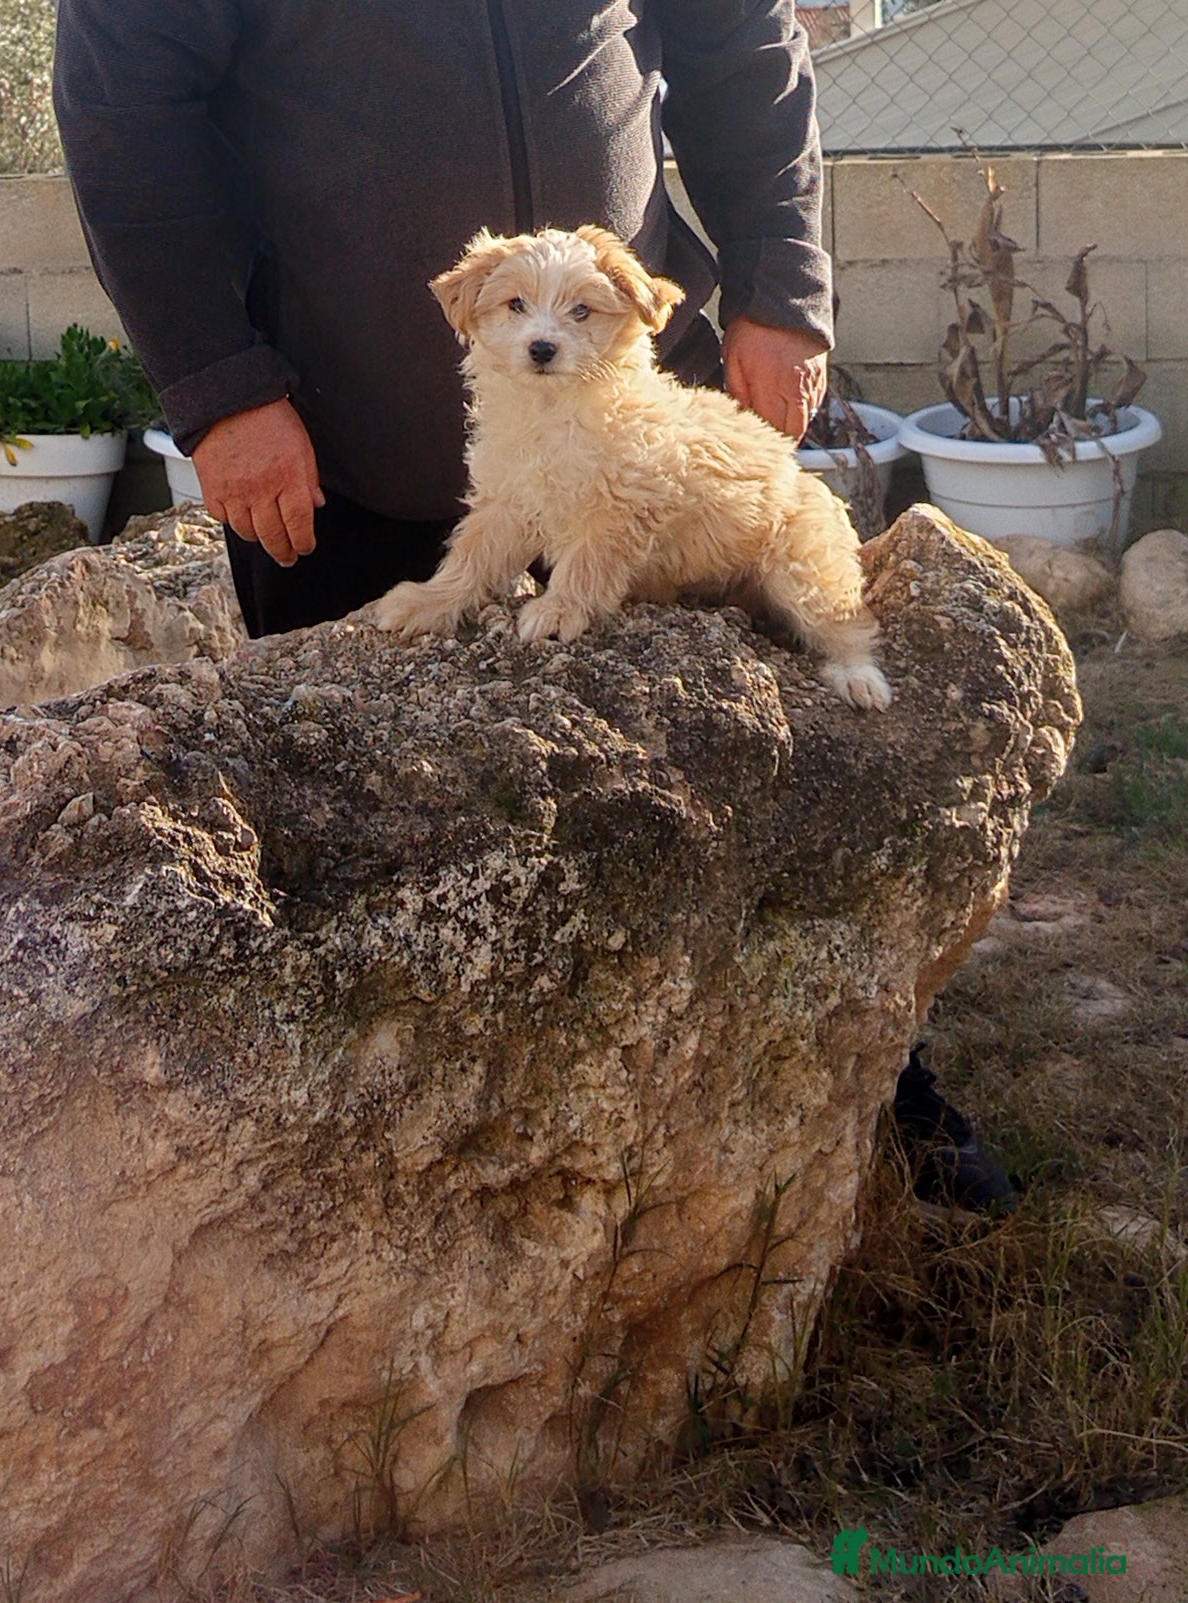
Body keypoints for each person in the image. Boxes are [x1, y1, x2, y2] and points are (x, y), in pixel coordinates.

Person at [52, 0, 1017, 1211]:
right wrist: (220, 383)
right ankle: (410, 1190)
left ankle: (862, 1085)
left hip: (632, 440)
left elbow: (740, 40)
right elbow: (124, 101)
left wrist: (781, 282)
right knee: (370, 864)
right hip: (348, 452)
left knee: (740, 800)